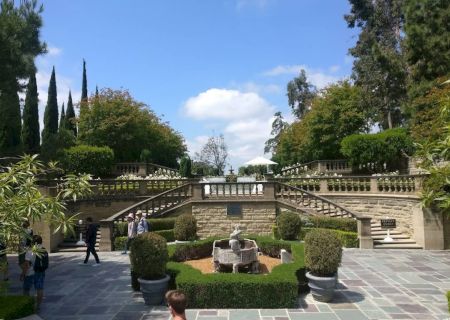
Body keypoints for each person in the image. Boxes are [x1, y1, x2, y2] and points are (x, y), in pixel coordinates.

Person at [21, 235, 48, 310]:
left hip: (30, 273)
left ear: (32, 242)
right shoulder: (43, 250)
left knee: (26, 289)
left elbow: (27, 265)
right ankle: (38, 306)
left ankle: (27, 305)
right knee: (39, 288)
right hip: (40, 271)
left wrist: (23, 274)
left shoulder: (30, 251)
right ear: (41, 241)